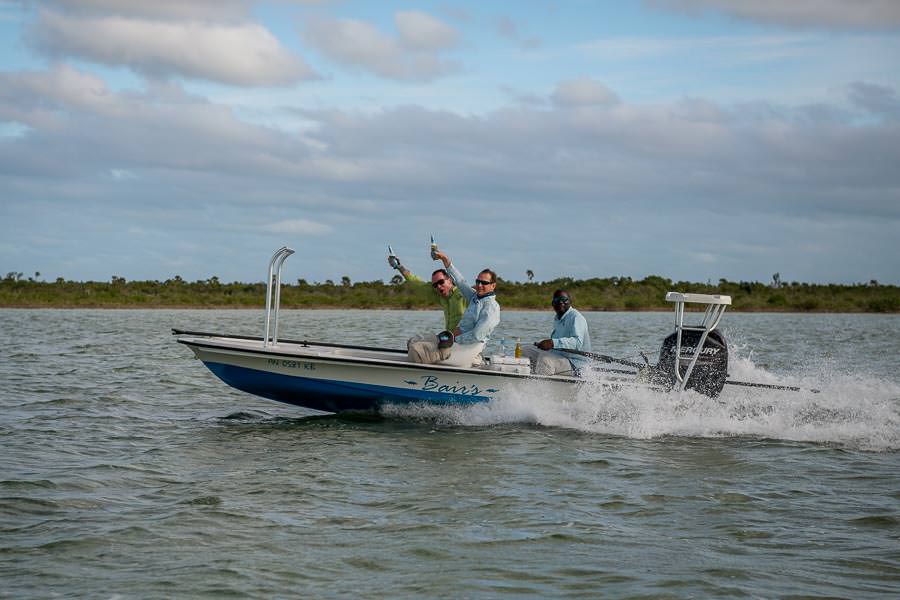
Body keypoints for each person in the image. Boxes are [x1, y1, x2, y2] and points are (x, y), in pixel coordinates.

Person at [407, 250, 501, 365]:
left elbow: (478, 335)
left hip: (461, 347)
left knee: (416, 350)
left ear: (493, 285)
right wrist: (444, 259)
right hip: (452, 342)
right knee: (413, 341)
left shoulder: (491, 308)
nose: (480, 285)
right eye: (478, 281)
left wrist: (452, 339)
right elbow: (460, 281)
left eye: (484, 283)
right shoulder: (474, 297)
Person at [387, 251, 467, 331]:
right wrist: (399, 267)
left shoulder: (465, 293)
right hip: (450, 339)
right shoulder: (440, 296)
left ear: (449, 280)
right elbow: (416, 283)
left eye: (441, 282)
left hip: (469, 339)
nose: (438, 286)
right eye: (435, 285)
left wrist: (443, 257)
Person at [521, 289, 592, 376]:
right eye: (557, 300)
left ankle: (539, 386)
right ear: (553, 304)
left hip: (576, 364)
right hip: (559, 356)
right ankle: (529, 377)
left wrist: (552, 343)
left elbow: (577, 343)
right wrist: (545, 345)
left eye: (564, 300)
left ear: (570, 301)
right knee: (525, 350)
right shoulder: (558, 318)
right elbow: (557, 344)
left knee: (545, 359)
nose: (561, 302)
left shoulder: (576, 317)